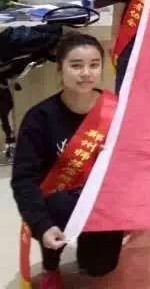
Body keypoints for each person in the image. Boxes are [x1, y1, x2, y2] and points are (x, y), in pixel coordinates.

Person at [12, 33, 123, 289]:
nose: (86, 73)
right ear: (60, 70)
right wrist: (41, 224)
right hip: (58, 200)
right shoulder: (39, 118)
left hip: (101, 200)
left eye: (94, 65)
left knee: (99, 268)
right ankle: (51, 264)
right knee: (57, 207)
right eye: (76, 65)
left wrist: (115, 159)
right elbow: (24, 179)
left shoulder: (116, 110)